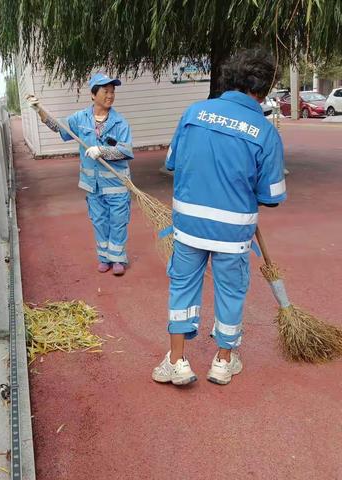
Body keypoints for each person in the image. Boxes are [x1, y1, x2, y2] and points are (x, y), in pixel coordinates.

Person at [152, 48, 287, 386]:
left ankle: (177, 361)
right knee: (231, 292)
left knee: (182, 287)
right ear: (265, 88)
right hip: (233, 232)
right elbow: (271, 198)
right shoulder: (266, 132)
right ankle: (223, 362)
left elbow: (172, 163)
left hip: (188, 227)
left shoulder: (194, 113)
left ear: (231, 78)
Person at [26, 73, 134, 276]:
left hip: (117, 184)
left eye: (112, 92)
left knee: (118, 221)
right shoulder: (80, 119)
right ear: (93, 95)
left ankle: (118, 259)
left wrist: (102, 151)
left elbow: (126, 151)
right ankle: (104, 257)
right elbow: (59, 128)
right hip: (92, 184)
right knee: (99, 220)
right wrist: (39, 110)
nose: (110, 95)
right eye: (105, 91)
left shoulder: (120, 123)